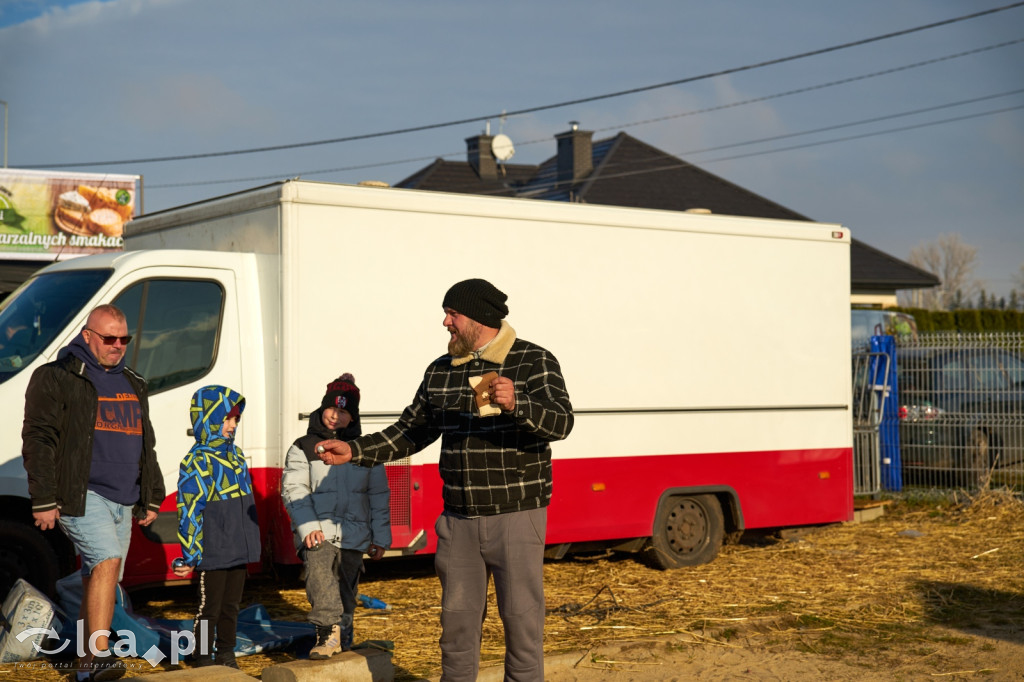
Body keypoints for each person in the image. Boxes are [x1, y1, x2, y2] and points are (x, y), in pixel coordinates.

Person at [316, 279, 574, 681]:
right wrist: (356, 451)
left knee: (522, 628)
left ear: (478, 318)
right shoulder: (440, 370)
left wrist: (517, 403)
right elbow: (410, 431)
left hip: (517, 517)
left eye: (453, 314)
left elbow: (561, 423)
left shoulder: (533, 360)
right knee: (455, 632)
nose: (445, 322)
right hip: (457, 520)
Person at [21, 303, 163, 682]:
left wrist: (150, 494)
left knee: (99, 577)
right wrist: (44, 498)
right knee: (106, 561)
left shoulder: (134, 380)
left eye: (124, 338)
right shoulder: (57, 376)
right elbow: (39, 438)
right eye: (109, 338)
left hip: (123, 498)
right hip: (81, 493)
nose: (117, 345)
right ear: (88, 336)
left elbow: (144, 442)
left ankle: (84, 663)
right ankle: (96, 659)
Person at [282, 373, 391, 659]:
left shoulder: (365, 450)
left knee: (346, 585)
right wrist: (307, 527)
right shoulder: (303, 447)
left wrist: (380, 536)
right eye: (332, 409)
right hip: (317, 529)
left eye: (344, 412)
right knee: (320, 576)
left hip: (354, 533)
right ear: (322, 408)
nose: (336, 416)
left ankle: (344, 633)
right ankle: (326, 632)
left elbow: (378, 495)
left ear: (352, 417)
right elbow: (294, 488)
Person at [173, 385, 260, 669]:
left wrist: (250, 540)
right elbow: (189, 510)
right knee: (209, 607)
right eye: (227, 419)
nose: (233, 425)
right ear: (209, 419)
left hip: (237, 544)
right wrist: (191, 552)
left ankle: (226, 653)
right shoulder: (196, 461)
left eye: (236, 419)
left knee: (231, 605)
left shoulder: (235, 456)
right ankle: (201, 657)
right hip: (213, 548)